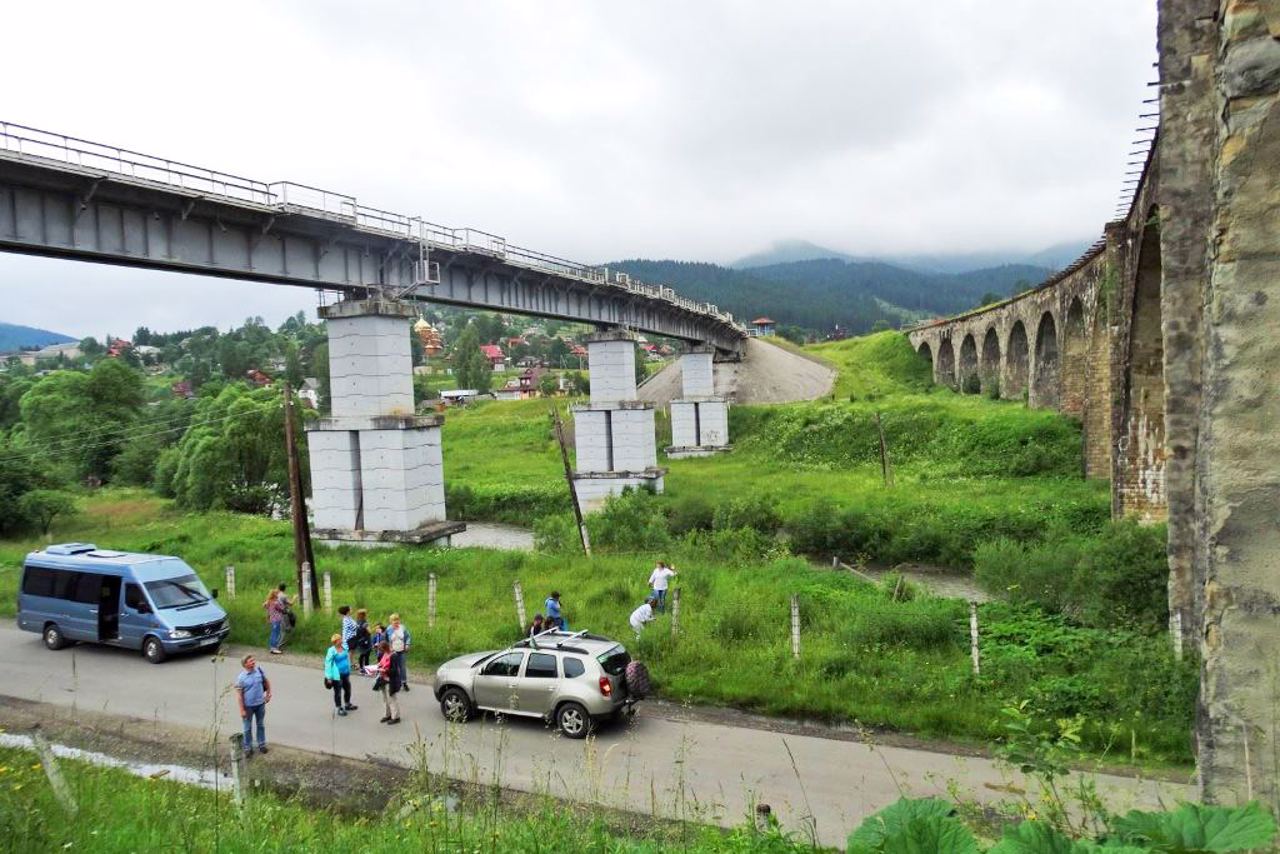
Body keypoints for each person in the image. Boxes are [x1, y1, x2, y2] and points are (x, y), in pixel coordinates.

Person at [235, 654, 272, 756]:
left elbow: (266, 682)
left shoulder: (259, 671)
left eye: (253, 660)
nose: (253, 662)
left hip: (260, 704)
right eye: (251, 661)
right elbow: (239, 695)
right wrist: (242, 709)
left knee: (260, 725)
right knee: (247, 728)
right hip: (248, 706)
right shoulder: (241, 678)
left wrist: (268, 694)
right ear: (245, 664)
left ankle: (261, 744)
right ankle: (248, 747)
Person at [324, 633, 357, 716]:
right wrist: (329, 677)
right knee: (338, 692)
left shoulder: (344, 647)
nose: (341, 640)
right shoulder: (331, 650)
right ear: (336, 641)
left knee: (348, 689)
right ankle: (339, 708)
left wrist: (352, 665)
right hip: (337, 675)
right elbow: (328, 664)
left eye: (341, 639)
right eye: (340, 639)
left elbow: (348, 657)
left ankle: (347, 704)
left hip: (346, 672)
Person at [374, 640, 401, 724]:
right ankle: (387, 715)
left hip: (391, 680)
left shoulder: (394, 655)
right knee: (385, 699)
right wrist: (378, 666)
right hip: (383, 679)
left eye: (381, 650)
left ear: (386, 648)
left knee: (392, 699)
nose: (380, 652)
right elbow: (382, 662)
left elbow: (394, 671)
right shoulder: (385, 654)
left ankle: (396, 717)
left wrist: (385, 670)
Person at [387, 613, 412, 693]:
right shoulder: (389, 629)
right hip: (393, 652)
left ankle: (404, 683)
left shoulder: (402, 628)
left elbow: (408, 636)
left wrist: (407, 644)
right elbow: (386, 640)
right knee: (394, 668)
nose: (396, 622)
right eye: (394, 620)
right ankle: (396, 683)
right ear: (391, 622)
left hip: (401, 651)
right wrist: (388, 648)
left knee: (402, 667)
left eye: (397, 620)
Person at [264, 589, 286, 654]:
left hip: (272, 619)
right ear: (274, 594)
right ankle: (274, 648)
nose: (278, 595)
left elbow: (267, 609)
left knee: (273, 633)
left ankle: (272, 647)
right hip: (277, 619)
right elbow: (282, 608)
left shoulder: (269, 602)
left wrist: (267, 618)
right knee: (276, 634)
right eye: (277, 593)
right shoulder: (276, 602)